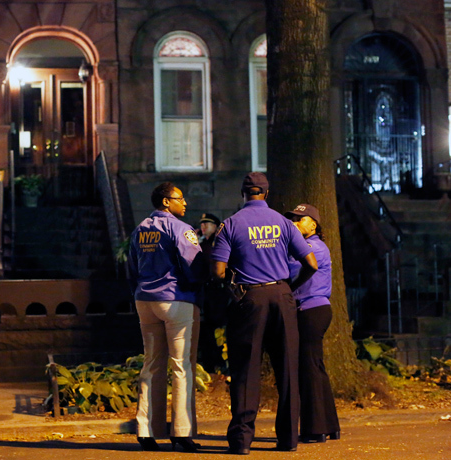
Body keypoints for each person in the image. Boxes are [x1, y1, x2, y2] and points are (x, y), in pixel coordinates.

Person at [209, 172, 318, 455]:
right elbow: (311, 263)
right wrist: (289, 287)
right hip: (282, 296)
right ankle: (287, 439)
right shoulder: (284, 223)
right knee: (287, 369)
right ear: (266, 194)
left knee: (246, 369)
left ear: (243, 194)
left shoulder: (231, 224)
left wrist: (232, 283)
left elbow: (218, 270)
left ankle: (242, 441)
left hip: (250, 298)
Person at [127, 182, 207, 453]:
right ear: (165, 202)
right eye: (179, 198)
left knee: (151, 364)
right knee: (181, 367)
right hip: (175, 299)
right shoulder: (181, 229)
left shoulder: (140, 229)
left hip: (144, 300)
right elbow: (194, 266)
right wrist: (196, 288)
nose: (184, 203)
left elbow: (131, 268)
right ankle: (181, 433)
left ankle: (145, 430)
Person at [284, 203, 341, 444]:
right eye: (293, 219)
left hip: (310, 310)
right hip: (311, 310)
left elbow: (287, 272)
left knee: (308, 368)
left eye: (301, 219)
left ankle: (315, 429)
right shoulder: (306, 246)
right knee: (314, 367)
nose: (295, 223)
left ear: (313, 224)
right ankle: (330, 425)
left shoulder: (312, 247)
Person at [197, 213, 227, 372]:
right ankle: (210, 361)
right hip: (206, 290)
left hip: (217, 291)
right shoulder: (202, 242)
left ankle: (219, 362)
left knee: (218, 326)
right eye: (202, 224)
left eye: (207, 224)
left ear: (216, 226)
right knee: (208, 327)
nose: (203, 227)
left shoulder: (217, 242)